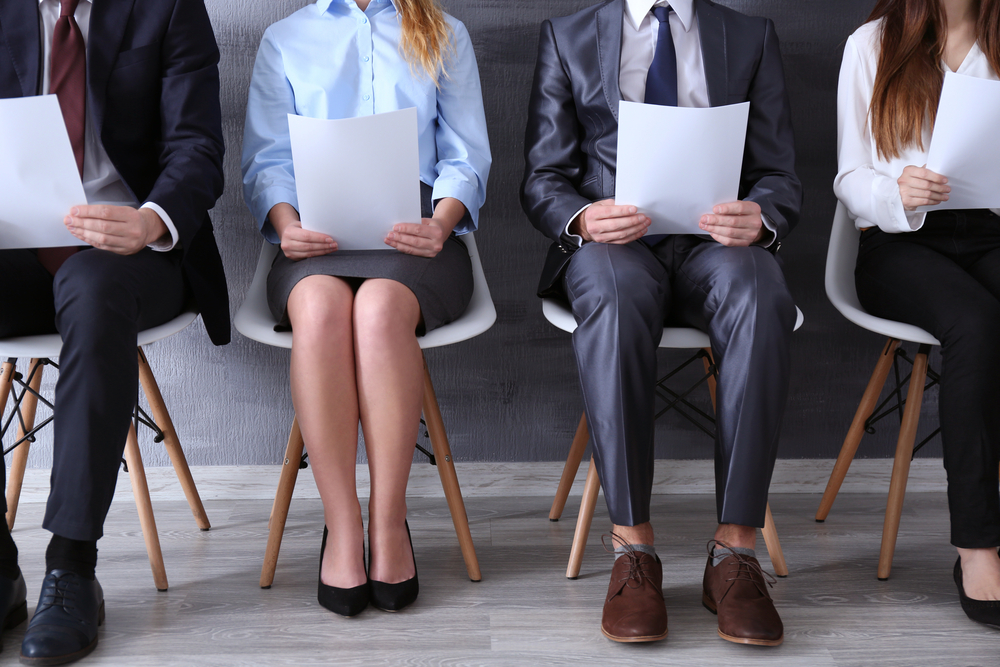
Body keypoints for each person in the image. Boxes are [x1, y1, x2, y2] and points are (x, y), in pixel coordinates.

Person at [521, 0, 800, 646]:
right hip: (618, 246)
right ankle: (633, 551)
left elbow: (781, 173)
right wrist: (585, 218)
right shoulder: (567, 38)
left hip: (716, 246)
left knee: (762, 293)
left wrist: (760, 215)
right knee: (615, 298)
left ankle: (734, 552)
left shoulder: (750, 37)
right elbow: (542, 178)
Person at [241, 0, 490, 617]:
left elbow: (467, 155)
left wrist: (442, 223)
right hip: (314, 236)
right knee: (321, 308)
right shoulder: (285, 38)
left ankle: (390, 522)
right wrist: (284, 223)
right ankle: (343, 525)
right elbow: (267, 159)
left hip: (416, 233)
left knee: (379, 309)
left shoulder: (444, 32)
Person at [0, 0, 228, 663]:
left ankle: (72, 568)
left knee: (95, 290)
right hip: (13, 246)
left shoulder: (168, 6)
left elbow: (197, 145)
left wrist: (152, 219)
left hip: (132, 248)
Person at [835, 0, 1000, 628]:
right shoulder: (871, 44)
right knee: (978, 324)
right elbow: (849, 174)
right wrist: (895, 190)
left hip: (988, 229)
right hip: (898, 239)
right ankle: (978, 545)